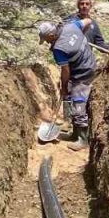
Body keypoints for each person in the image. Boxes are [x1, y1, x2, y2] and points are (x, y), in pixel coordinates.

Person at [38, 20, 97, 151]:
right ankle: (75, 134)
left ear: (52, 35)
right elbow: (88, 21)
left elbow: (66, 71)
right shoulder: (72, 25)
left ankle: (83, 140)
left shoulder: (59, 49)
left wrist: (64, 87)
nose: (47, 42)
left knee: (78, 103)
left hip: (82, 73)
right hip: (91, 62)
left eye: (46, 39)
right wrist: (81, 38)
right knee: (71, 98)